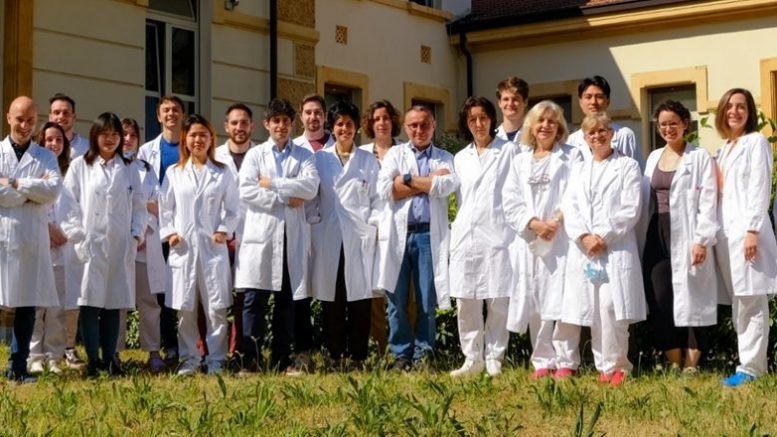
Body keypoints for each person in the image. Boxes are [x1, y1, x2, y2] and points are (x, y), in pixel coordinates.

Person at [234, 98, 319, 374]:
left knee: (286, 302)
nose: (281, 126)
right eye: (276, 121)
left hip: (291, 237)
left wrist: (272, 184)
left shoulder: (304, 156)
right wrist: (285, 198)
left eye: (285, 121)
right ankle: (251, 360)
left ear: (292, 124)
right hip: (262, 237)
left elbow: (311, 187)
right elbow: (247, 190)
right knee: (254, 300)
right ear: (266, 124)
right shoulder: (255, 155)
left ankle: (281, 360)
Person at [561, 112, 646, 387]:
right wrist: (584, 237)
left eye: (602, 131)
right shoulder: (579, 169)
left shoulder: (627, 166)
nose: (597, 136)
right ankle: (603, 367)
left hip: (615, 247)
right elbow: (570, 207)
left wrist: (603, 236)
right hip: (586, 250)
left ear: (612, 134)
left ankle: (619, 365)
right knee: (594, 309)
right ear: (585, 138)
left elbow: (631, 208)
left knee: (612, 307)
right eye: (591, 132)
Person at [60, 112, 146, 377]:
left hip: (119, 245)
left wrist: (135, 236)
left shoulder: (129, 168)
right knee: (89, 303)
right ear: (95, 136)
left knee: (113, 302)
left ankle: (110, 359)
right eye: (104, 134)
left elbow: (139, 206)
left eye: (115, 134)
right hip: (89, 245)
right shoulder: (80, 166)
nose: (110, 139)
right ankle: (93, 360)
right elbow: (67, 204)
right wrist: (77, 235)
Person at [376, 105, 460, 371]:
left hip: (427, 235)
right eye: (413, 125)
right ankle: (401, 355)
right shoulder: (395, 154)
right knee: (396, 300)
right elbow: (384, 190)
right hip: (398, 235)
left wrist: (405, 181)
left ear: (433, 125)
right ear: (406, 128)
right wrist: (424, 182)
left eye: (424, 124)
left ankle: (424, 355)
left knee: (426, 300)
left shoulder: (445, 157)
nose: (419, 130)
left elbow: (446, 186)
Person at [503, 100, 583, 379]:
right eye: (540, 121)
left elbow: (577, 193)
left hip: (562, 238)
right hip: (530, 239)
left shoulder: (572, 156)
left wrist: (555, 222)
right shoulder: (519, 161)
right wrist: (534, 224)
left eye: (552, 121)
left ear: (559, 127)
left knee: (564, 298)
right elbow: (510, 200)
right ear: (531, 126)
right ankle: (542, 360)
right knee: (535, 298)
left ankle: (566, 361)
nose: (546, 126)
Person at [640, 100, 718, 374]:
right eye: (662, 124)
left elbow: (709, 199)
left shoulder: (699, 157)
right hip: (657, 232)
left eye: (673, 123)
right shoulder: (653, 157)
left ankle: (692, 364)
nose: (668, 128)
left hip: (688, 230)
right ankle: (673, 359)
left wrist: (702, 239)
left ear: (685, 123)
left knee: (694, 293)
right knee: (660, 296)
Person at [159, 114, 240, 376]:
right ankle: (190, 359)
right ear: (185, 139)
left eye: (203, 135)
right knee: (185, 309)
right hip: (183, 249)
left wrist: (223, 230)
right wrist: (170, 233)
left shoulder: (223, 172)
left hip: (212, 249)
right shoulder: (174, 173)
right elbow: (165, 208)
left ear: (211, 139)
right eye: (193, 135)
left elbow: (234, 208)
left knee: (216, 308)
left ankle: (216, 359)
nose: (198, 140)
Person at [448, 96, 519, 378]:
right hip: (466, 235)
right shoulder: (460, 158)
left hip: (498, 234)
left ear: (492, 119)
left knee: (498, 300)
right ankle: (472, 358)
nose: (478, 124)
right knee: (466, 300)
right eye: (472, 119)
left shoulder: (509, 152)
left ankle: (494, 358)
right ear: (466, 124)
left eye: (483, 118)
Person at [309, 101, 381, 367]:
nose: (344, 129)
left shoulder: (368, 160)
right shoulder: (320, 159)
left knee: (360, 297)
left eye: (349, 124)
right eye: (339, 124)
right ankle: (334, 354)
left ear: (356, 127)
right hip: (328, 235)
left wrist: (373, 226)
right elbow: (312, 197)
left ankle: (358, 356)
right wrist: (315, 222)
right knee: (333, 297)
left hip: (359, 237)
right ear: (332, 127)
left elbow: (377, 199)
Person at [714, 88, 777, 387]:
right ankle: (746, 364)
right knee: (740, 300)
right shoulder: (725, 148)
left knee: (752, 298)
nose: (734, 111)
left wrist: (753, 230)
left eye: (741, 106)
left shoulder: (756, 142)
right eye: (729, 106)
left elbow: (760, 187)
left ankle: (752, 369)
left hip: (747, 233)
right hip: (726, 235)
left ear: (749, 111)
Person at [0, 96, 62, 383]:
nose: (25, 126)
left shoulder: (45, 157)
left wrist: (13, 183)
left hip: (31, 240)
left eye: (30, 120)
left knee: (26, 306)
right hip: (4, 237)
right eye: (20, 119)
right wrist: (30, 194)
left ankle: (18, 366)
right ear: (8, 118)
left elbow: (52, 191)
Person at [115, 118, 166, 373]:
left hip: (145, 246)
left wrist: (143, 225)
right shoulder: (111, 167)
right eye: (123, 134)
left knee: (149, 302)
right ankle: (114, 351)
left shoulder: (146, 169)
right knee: (117, 302)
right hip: (118, 245)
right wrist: (140, 207)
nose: (128, 139)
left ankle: (153, 351)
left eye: (132, 135)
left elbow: (158, 205)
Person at [138, 95, 185, 362]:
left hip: (184, 225)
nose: (171, 114)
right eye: (166, 110)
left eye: (175, 110)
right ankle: (169, 343)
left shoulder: (190, 146)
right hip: (157, 228)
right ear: (158, 116)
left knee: (184, 286)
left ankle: (187, 343)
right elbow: (141, 189)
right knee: (162, 288)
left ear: (182, 115)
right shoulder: (147, 151)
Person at [27, 122, 75, 375]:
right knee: (36, 306)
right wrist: (47, 230)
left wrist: (64, 234)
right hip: (38, 244)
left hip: (63, 247)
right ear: (41, 142)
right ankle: (34, 355)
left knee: (57, 307)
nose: (54, 144)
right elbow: (28, 204)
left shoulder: (71, 173)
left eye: (59, 140)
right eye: (49, 140)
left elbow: (78, 208)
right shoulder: (34, 171)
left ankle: (54, 356)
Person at [290, 93, 333, 370]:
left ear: (325, 116)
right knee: (301, 292)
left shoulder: (339, 147)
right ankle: (303, 350)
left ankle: (332, 349)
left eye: (318, 112)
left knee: (330, 291)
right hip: (300, 228)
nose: (313, 117)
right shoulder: (294, 148)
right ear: (301, 116)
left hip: (331, 229)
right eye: (308, 112)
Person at [359, 99, 402, 354]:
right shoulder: (363, 154)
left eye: (386, 118)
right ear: (370, 124)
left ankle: (403, 349)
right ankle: (378, 347)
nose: (382, 123)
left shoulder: (405, 151)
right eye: (377, 119)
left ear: (393, 121)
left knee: (402, 290)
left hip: (399, 226)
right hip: (370, 228)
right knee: (374, 290)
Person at [215, 103, 256, 362]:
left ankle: (238, 350)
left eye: (244, 123)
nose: (239, 127)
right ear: (226, 126)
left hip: (251, 235)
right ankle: (211, 351)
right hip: (220, 235)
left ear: (252, 126)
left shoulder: (261, 155)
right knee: (216, 295)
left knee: (245, 298)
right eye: (234, 123)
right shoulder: (215, 156)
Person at [567, 76, 644, 168]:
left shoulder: (624, 135)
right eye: (588, 97)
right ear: (580, 102)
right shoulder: (571, 141)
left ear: (608, 100)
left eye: (599, 97)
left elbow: (638, 170)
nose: (593, 102)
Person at [49, 93, 90, 158]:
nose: (61, 117)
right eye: (56, 112)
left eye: (66, 113)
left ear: (74, 117)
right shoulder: (39, 146)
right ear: (50, 117)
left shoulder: (88, 148)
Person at [495, 76, 530, 144]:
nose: (510, 103)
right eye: (506, 99)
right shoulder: (492, 138)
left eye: (515, 99)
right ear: (499, 103)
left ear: (525, 102)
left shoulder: (534, 136)